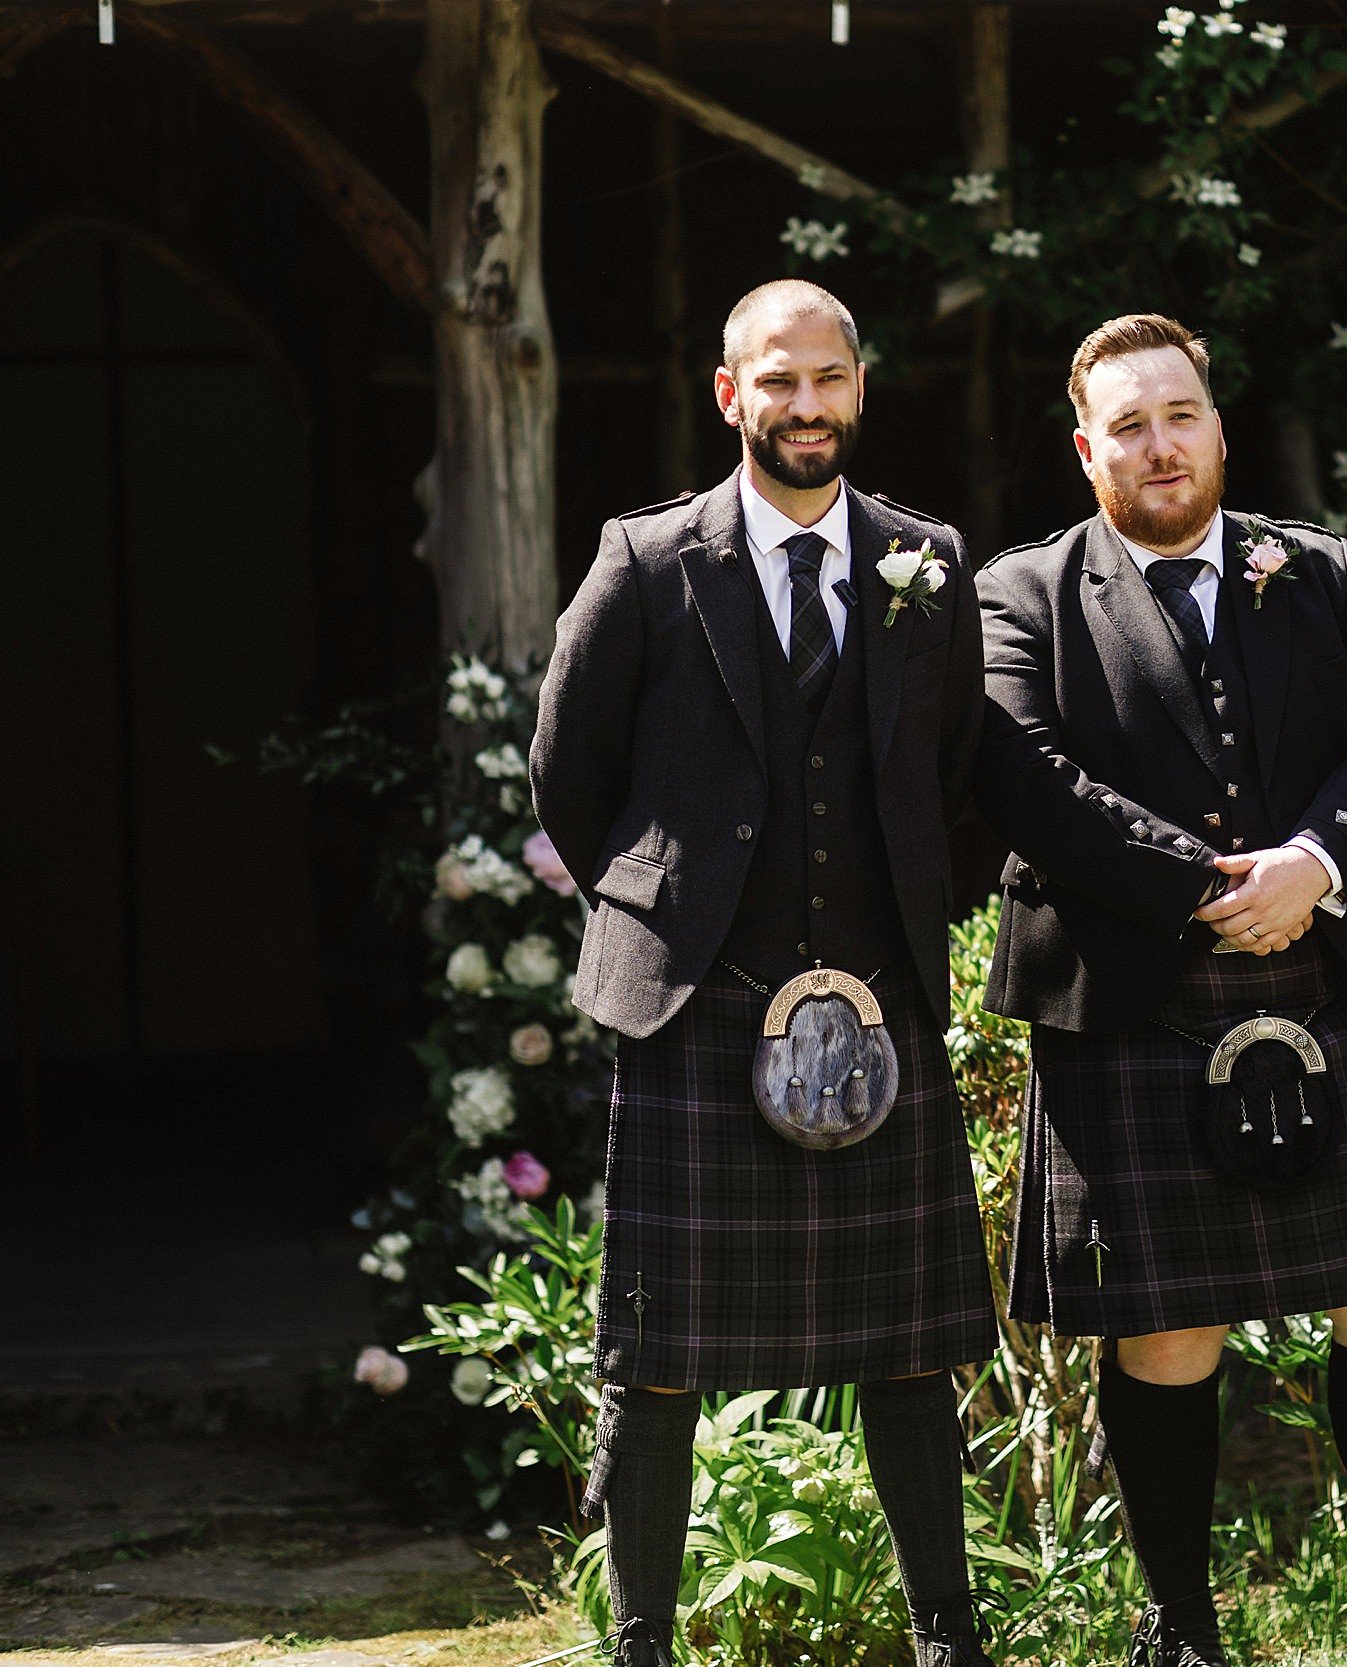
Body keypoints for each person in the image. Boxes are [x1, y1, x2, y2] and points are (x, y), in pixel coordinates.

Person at [972, 314, 1347, 1667]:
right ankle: (1180, 1628)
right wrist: (1209, 883)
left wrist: (1311, 863)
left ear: (1218, 425)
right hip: (1135, 995)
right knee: (1165, 1328)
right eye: (1127, 424)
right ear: (1087, 447)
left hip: (1316, 974)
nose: (1159, 443)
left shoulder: (1309, 568)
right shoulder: (1023, 593)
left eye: (1179, 414)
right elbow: (1029, 778)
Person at [530, 280, 1002, 1667]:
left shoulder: (928, 560)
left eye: (829, 379)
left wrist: (905, 924)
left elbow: (957, 777)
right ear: (730, 395)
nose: (807, 406)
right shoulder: (648, 557)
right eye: (776, 382)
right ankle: (641, 1645)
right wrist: (665, 913)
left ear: (861, 387)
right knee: (658, 1352)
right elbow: (571, 771)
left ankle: (948, 1640)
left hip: (878, 1003)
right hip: (697, 1003)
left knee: (910, 1347)